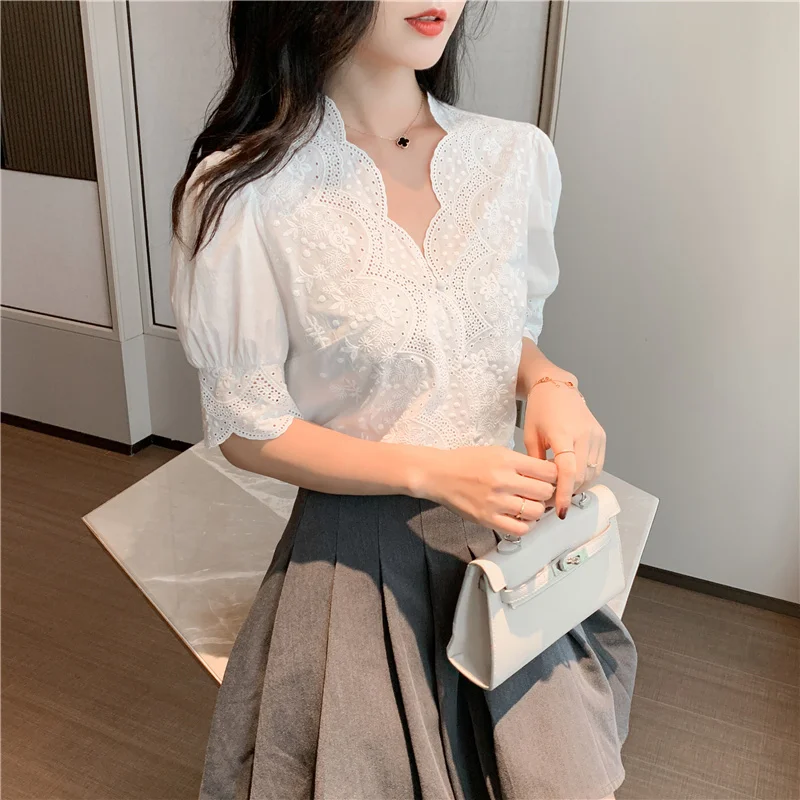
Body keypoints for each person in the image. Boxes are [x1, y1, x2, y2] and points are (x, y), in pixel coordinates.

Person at [169, 2, 637, 798]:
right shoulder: (246, 192)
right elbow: (248, 427)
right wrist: (433, 473)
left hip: (508, 546)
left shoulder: (511, 157)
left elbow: (483, 332)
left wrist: (549, 384)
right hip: (354, 554)